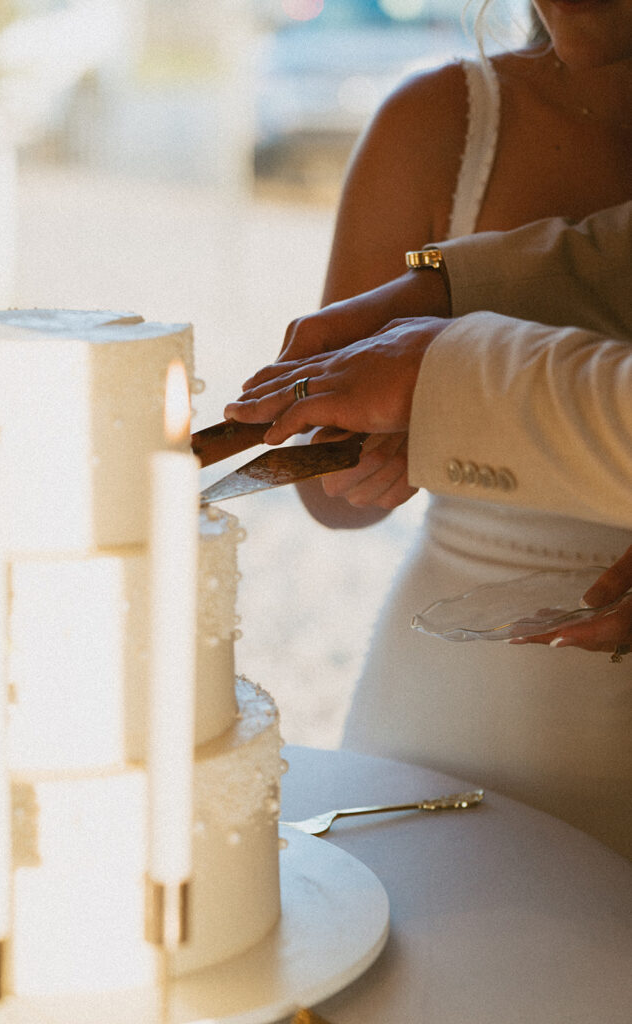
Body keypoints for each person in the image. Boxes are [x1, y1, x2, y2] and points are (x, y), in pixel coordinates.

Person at [225, 0, 632, 858]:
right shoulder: (441, 121)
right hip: (462, 708)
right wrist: (361, 455)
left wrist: (444, 381)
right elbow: (331, 498)